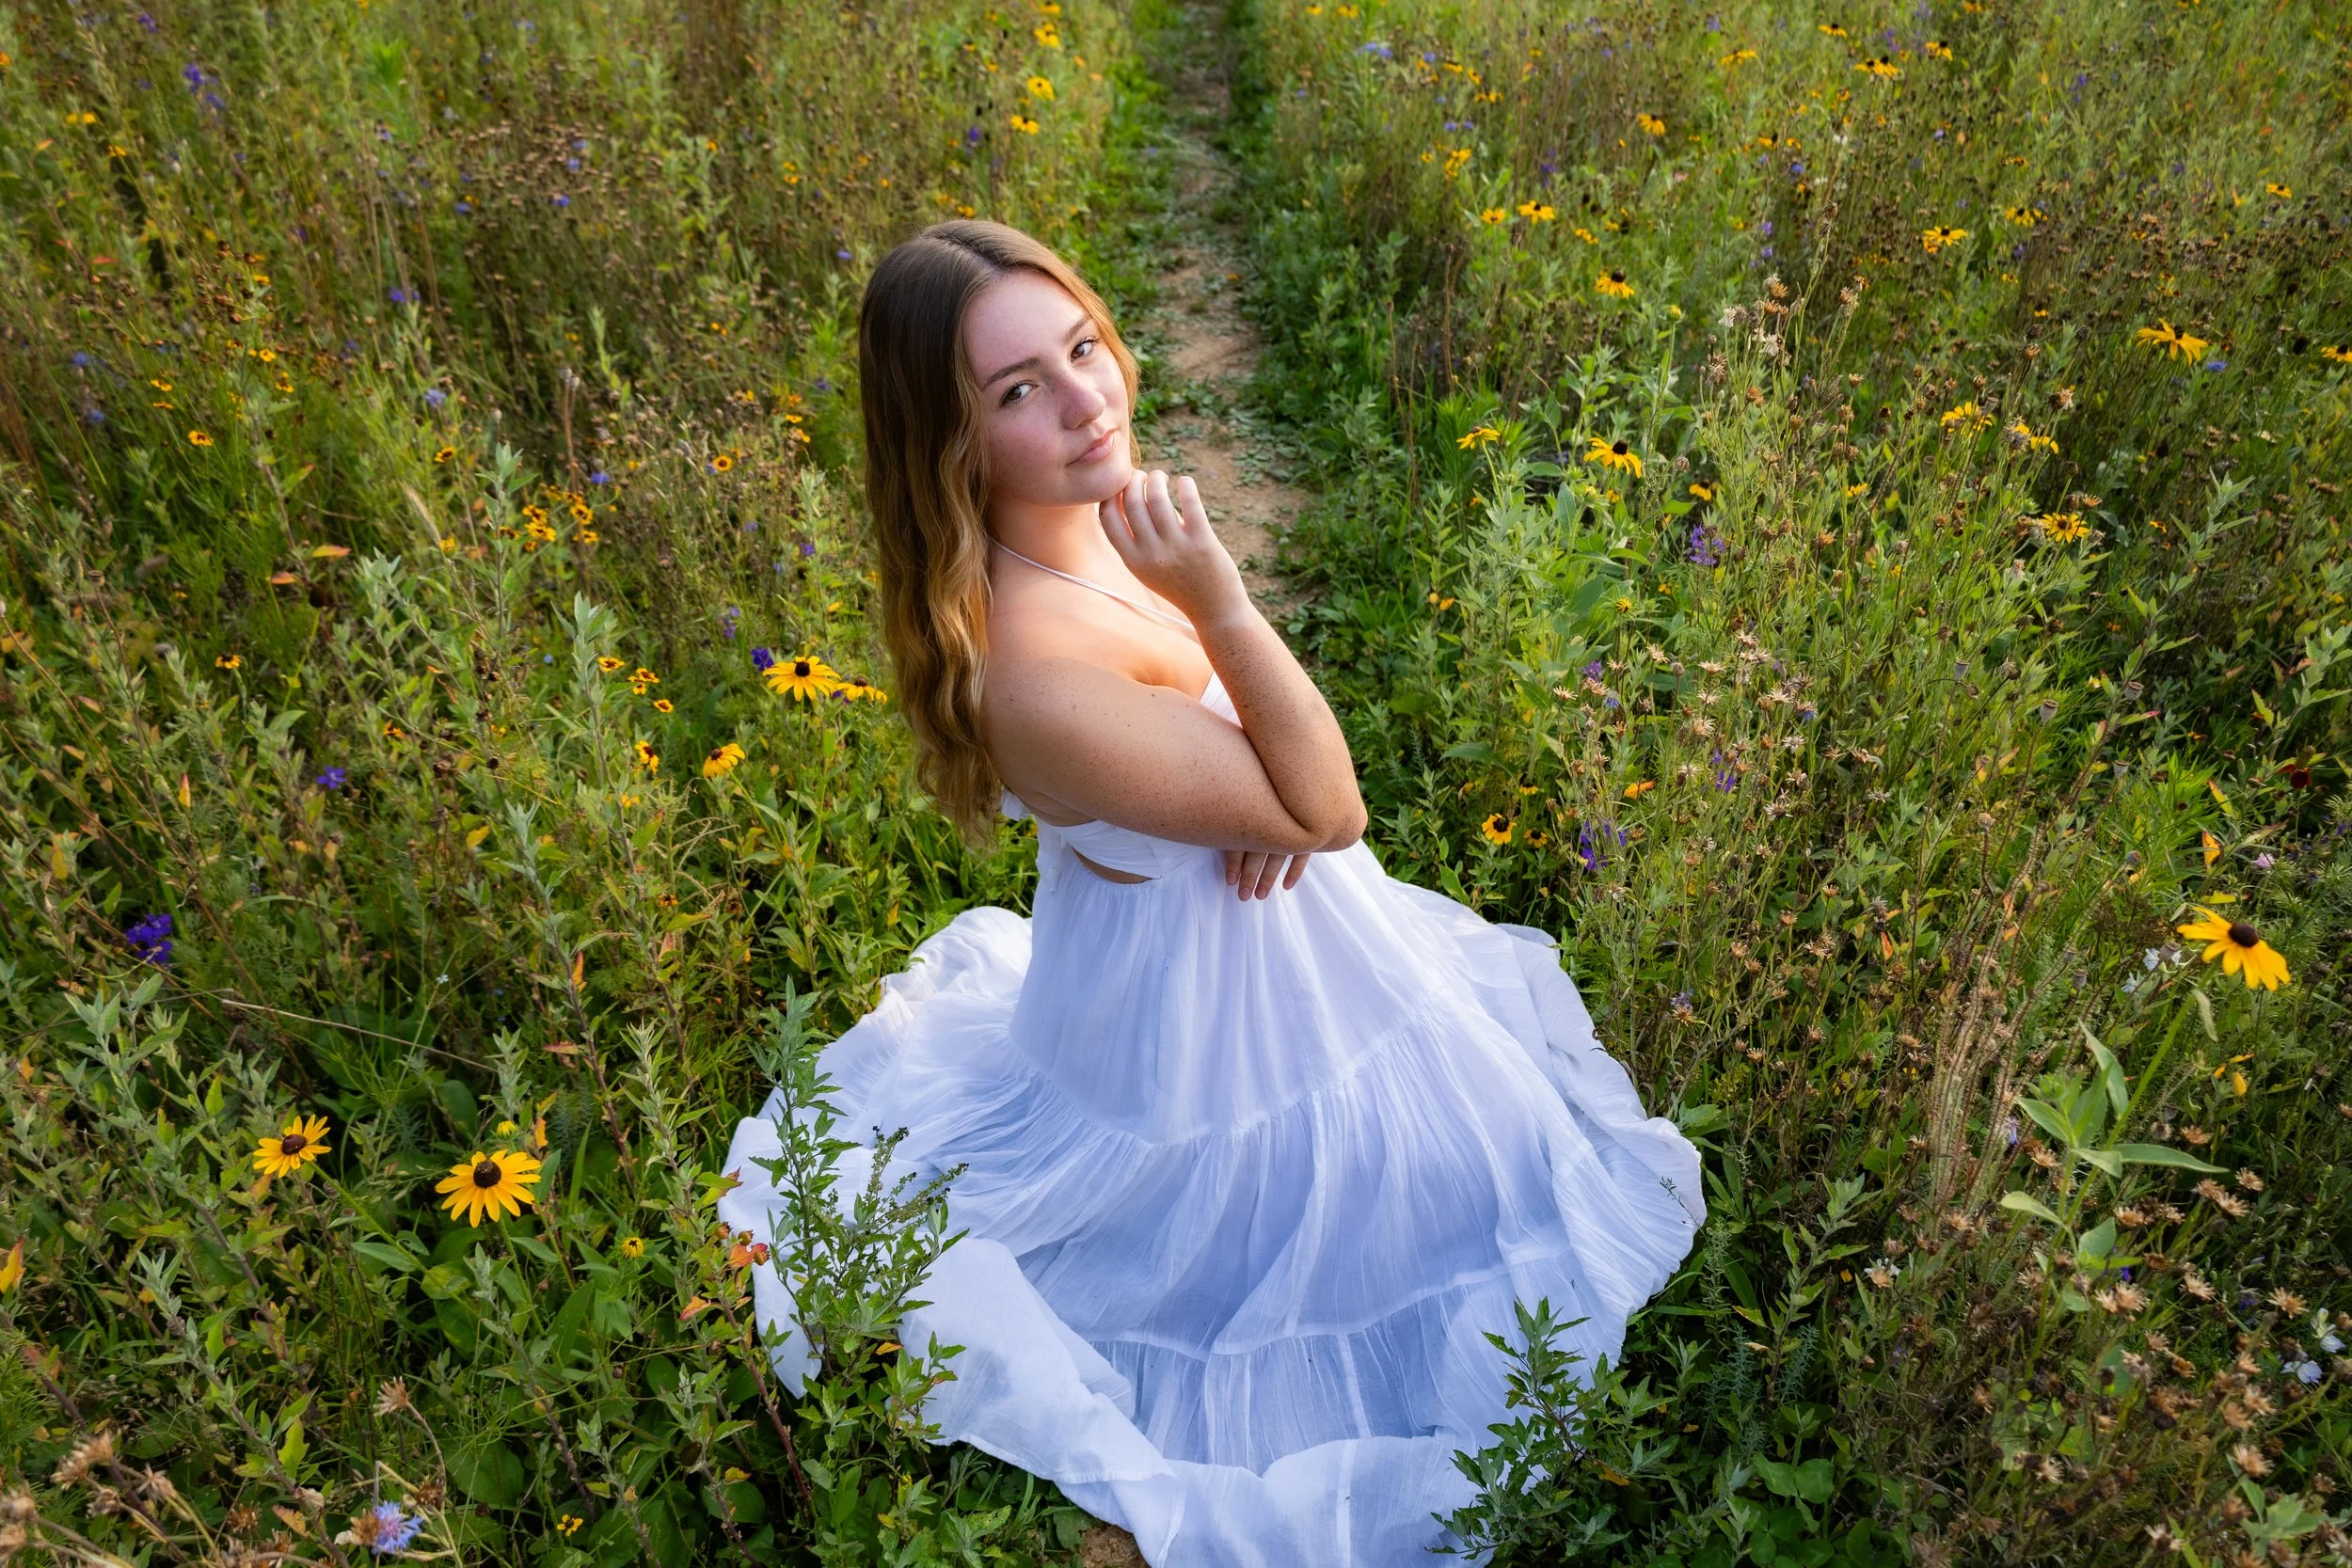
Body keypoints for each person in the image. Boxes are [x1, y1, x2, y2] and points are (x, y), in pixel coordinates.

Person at [720, 220, 1704, 1566]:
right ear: (951, 444)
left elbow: (1281, 784)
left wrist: (1235, 787)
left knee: (1504, 1136)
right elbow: (1330, 803)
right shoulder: (1036, 677)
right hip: (1201, 1036)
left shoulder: (1088, 516)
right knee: (1418, 1225)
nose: (1084, 401)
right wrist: (1230, 628)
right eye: (1017, 392)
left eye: (1081, 347)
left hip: (1255, 941)